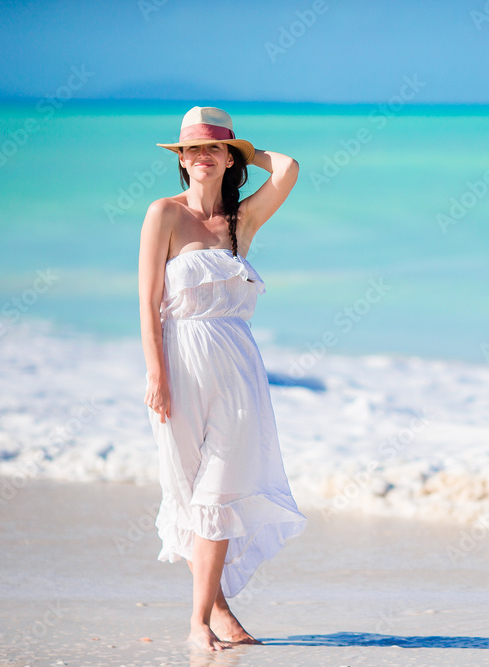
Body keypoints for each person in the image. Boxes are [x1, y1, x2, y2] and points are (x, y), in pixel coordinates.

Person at [138, 106, 307, 652]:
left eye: (214, 149)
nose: (200, 157)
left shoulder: (240, 221)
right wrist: (156, 374)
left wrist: (248, 151)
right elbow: (147, 303)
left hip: (237, 370)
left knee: (217, 493)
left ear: (229, 159)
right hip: (180, 364)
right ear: (181, 161)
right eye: (191, 149)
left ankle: (198, 624)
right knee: (188, 491)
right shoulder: (162, 213)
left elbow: (288, 168)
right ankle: (220, 609)